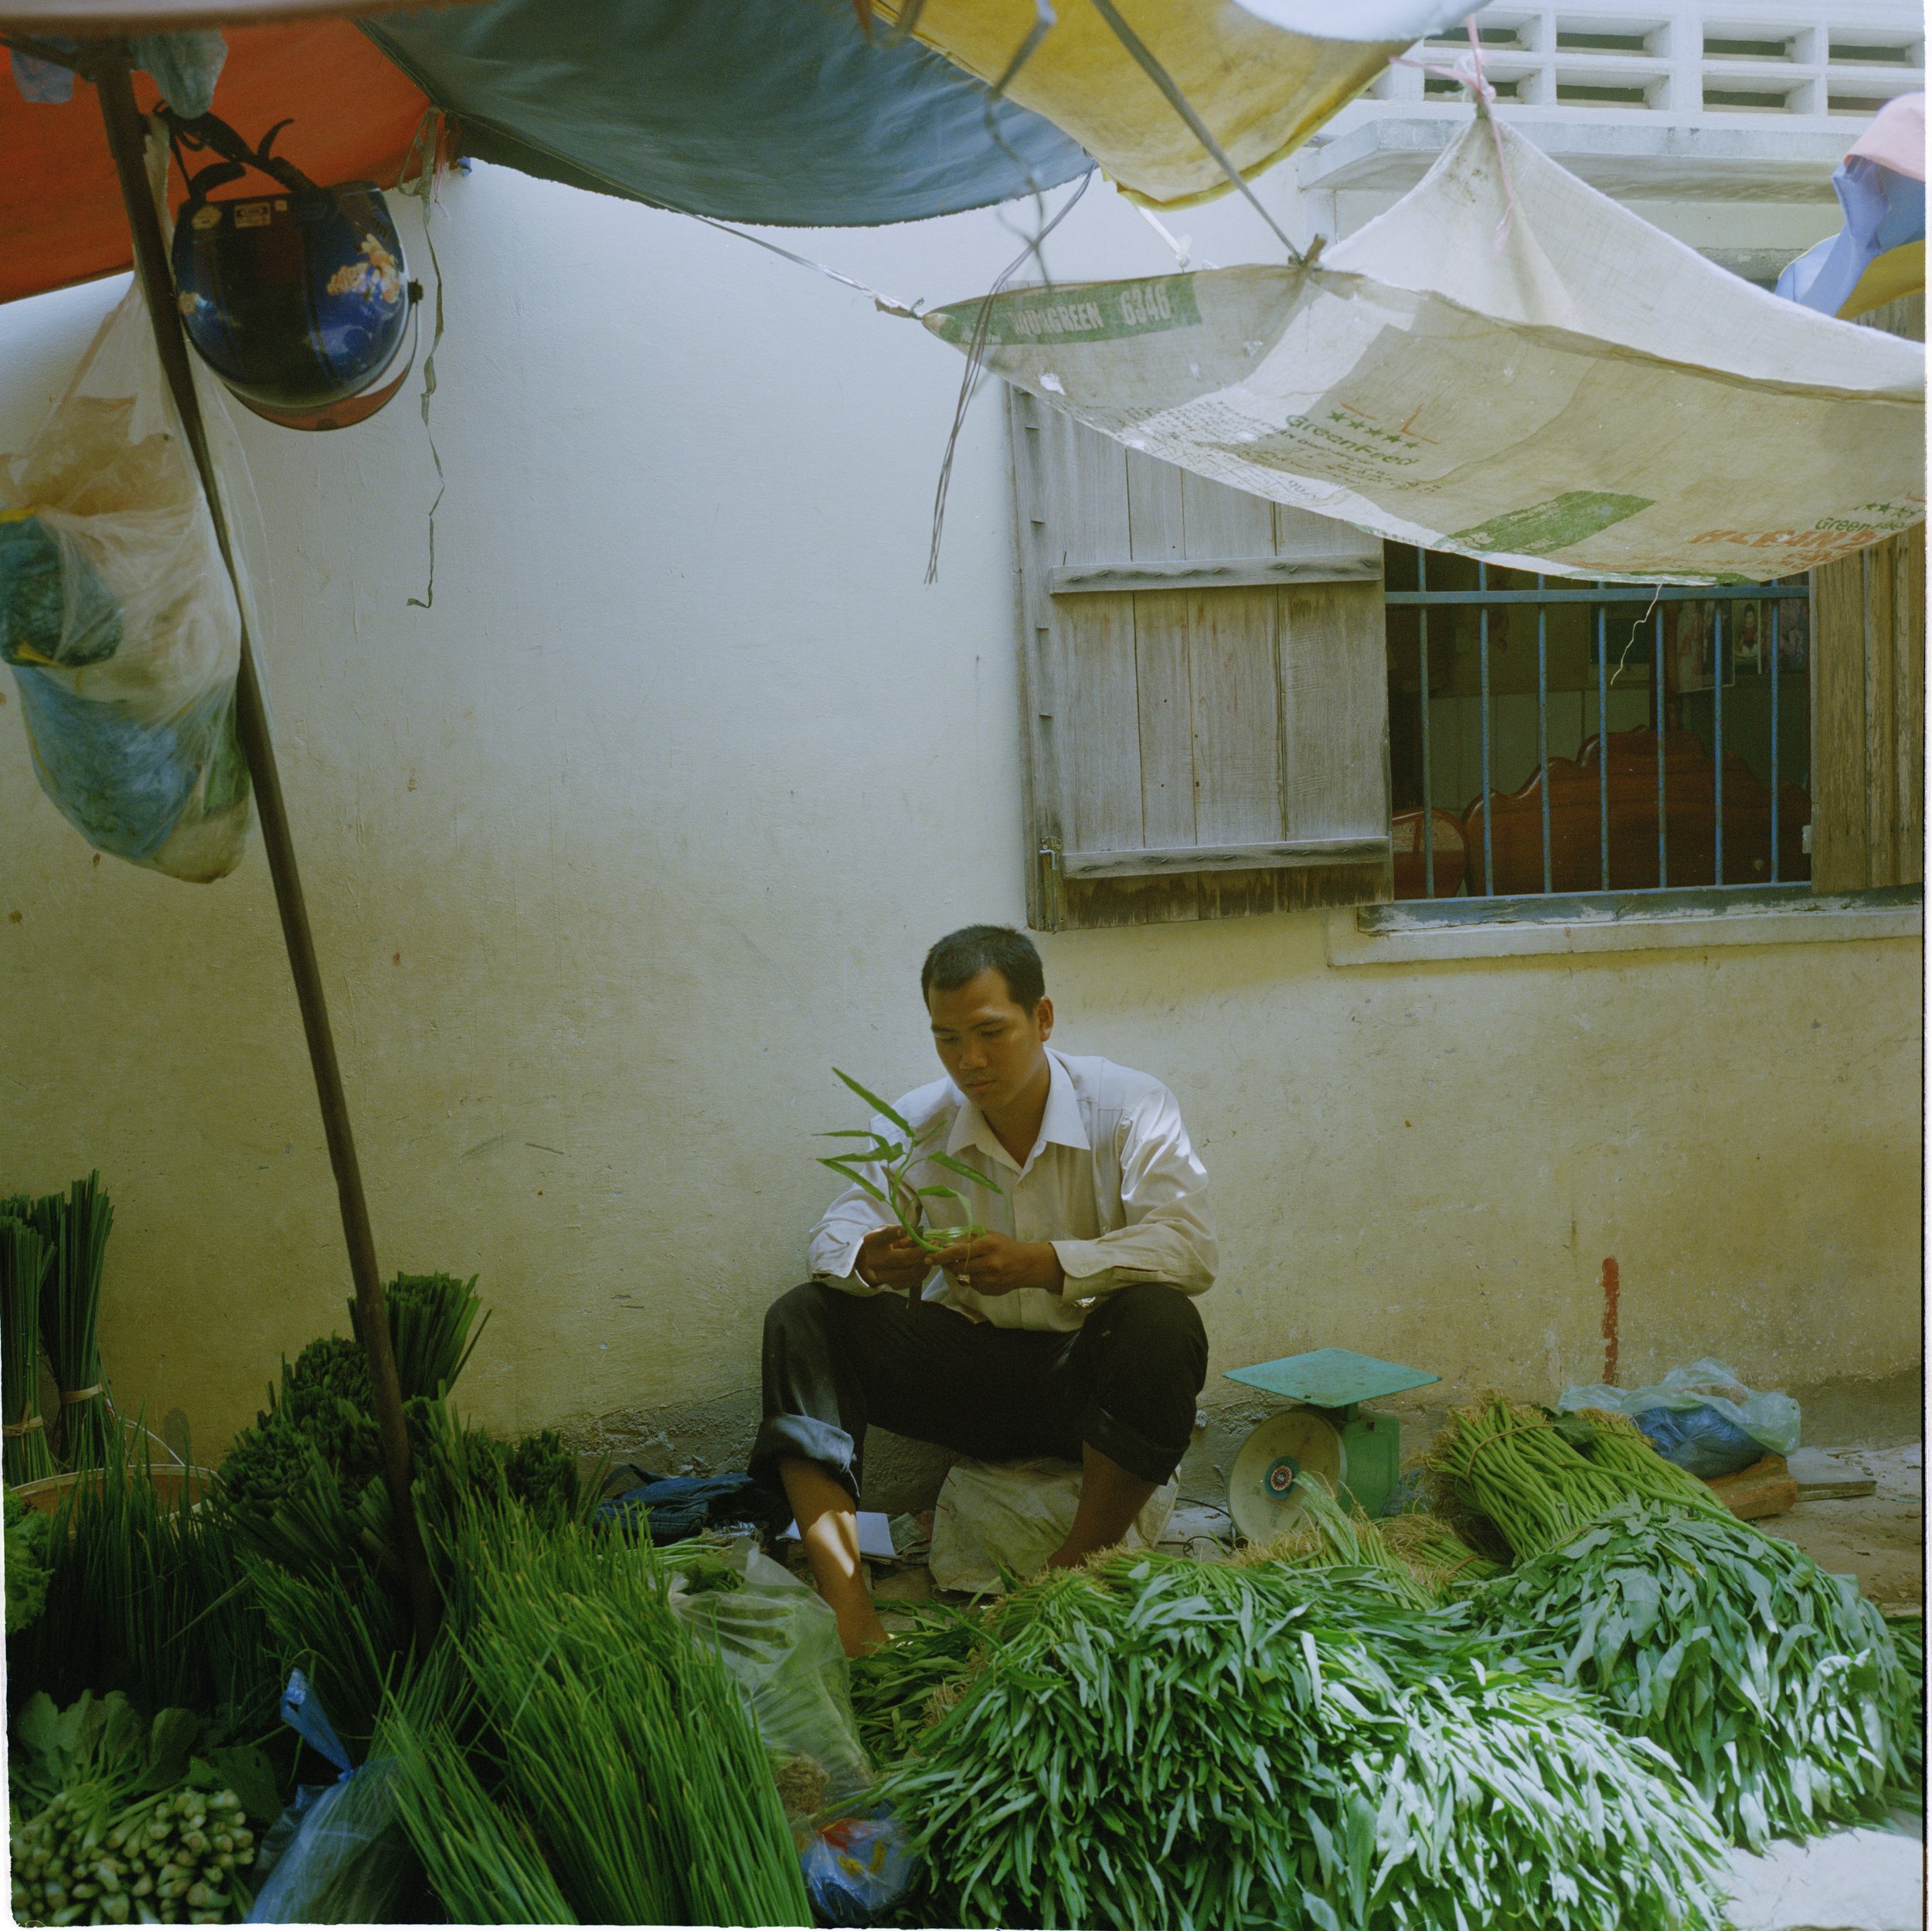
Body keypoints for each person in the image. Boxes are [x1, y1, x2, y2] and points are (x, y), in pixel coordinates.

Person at [753, 924, 1215, 1654]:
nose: (969, 1060)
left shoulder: (1129, 1107)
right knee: (804, 1317)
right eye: (947, 1039)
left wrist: (1045, 1263)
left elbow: (1189, 1246)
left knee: (1162, 1318)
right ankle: (850, 1611)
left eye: (991, 1032)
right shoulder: (917, 1124)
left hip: (1083, 1384)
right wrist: (873, 1259)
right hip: (969, 1380)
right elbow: (832, 1237)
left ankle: (1067, 1576)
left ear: (1044, 1018)